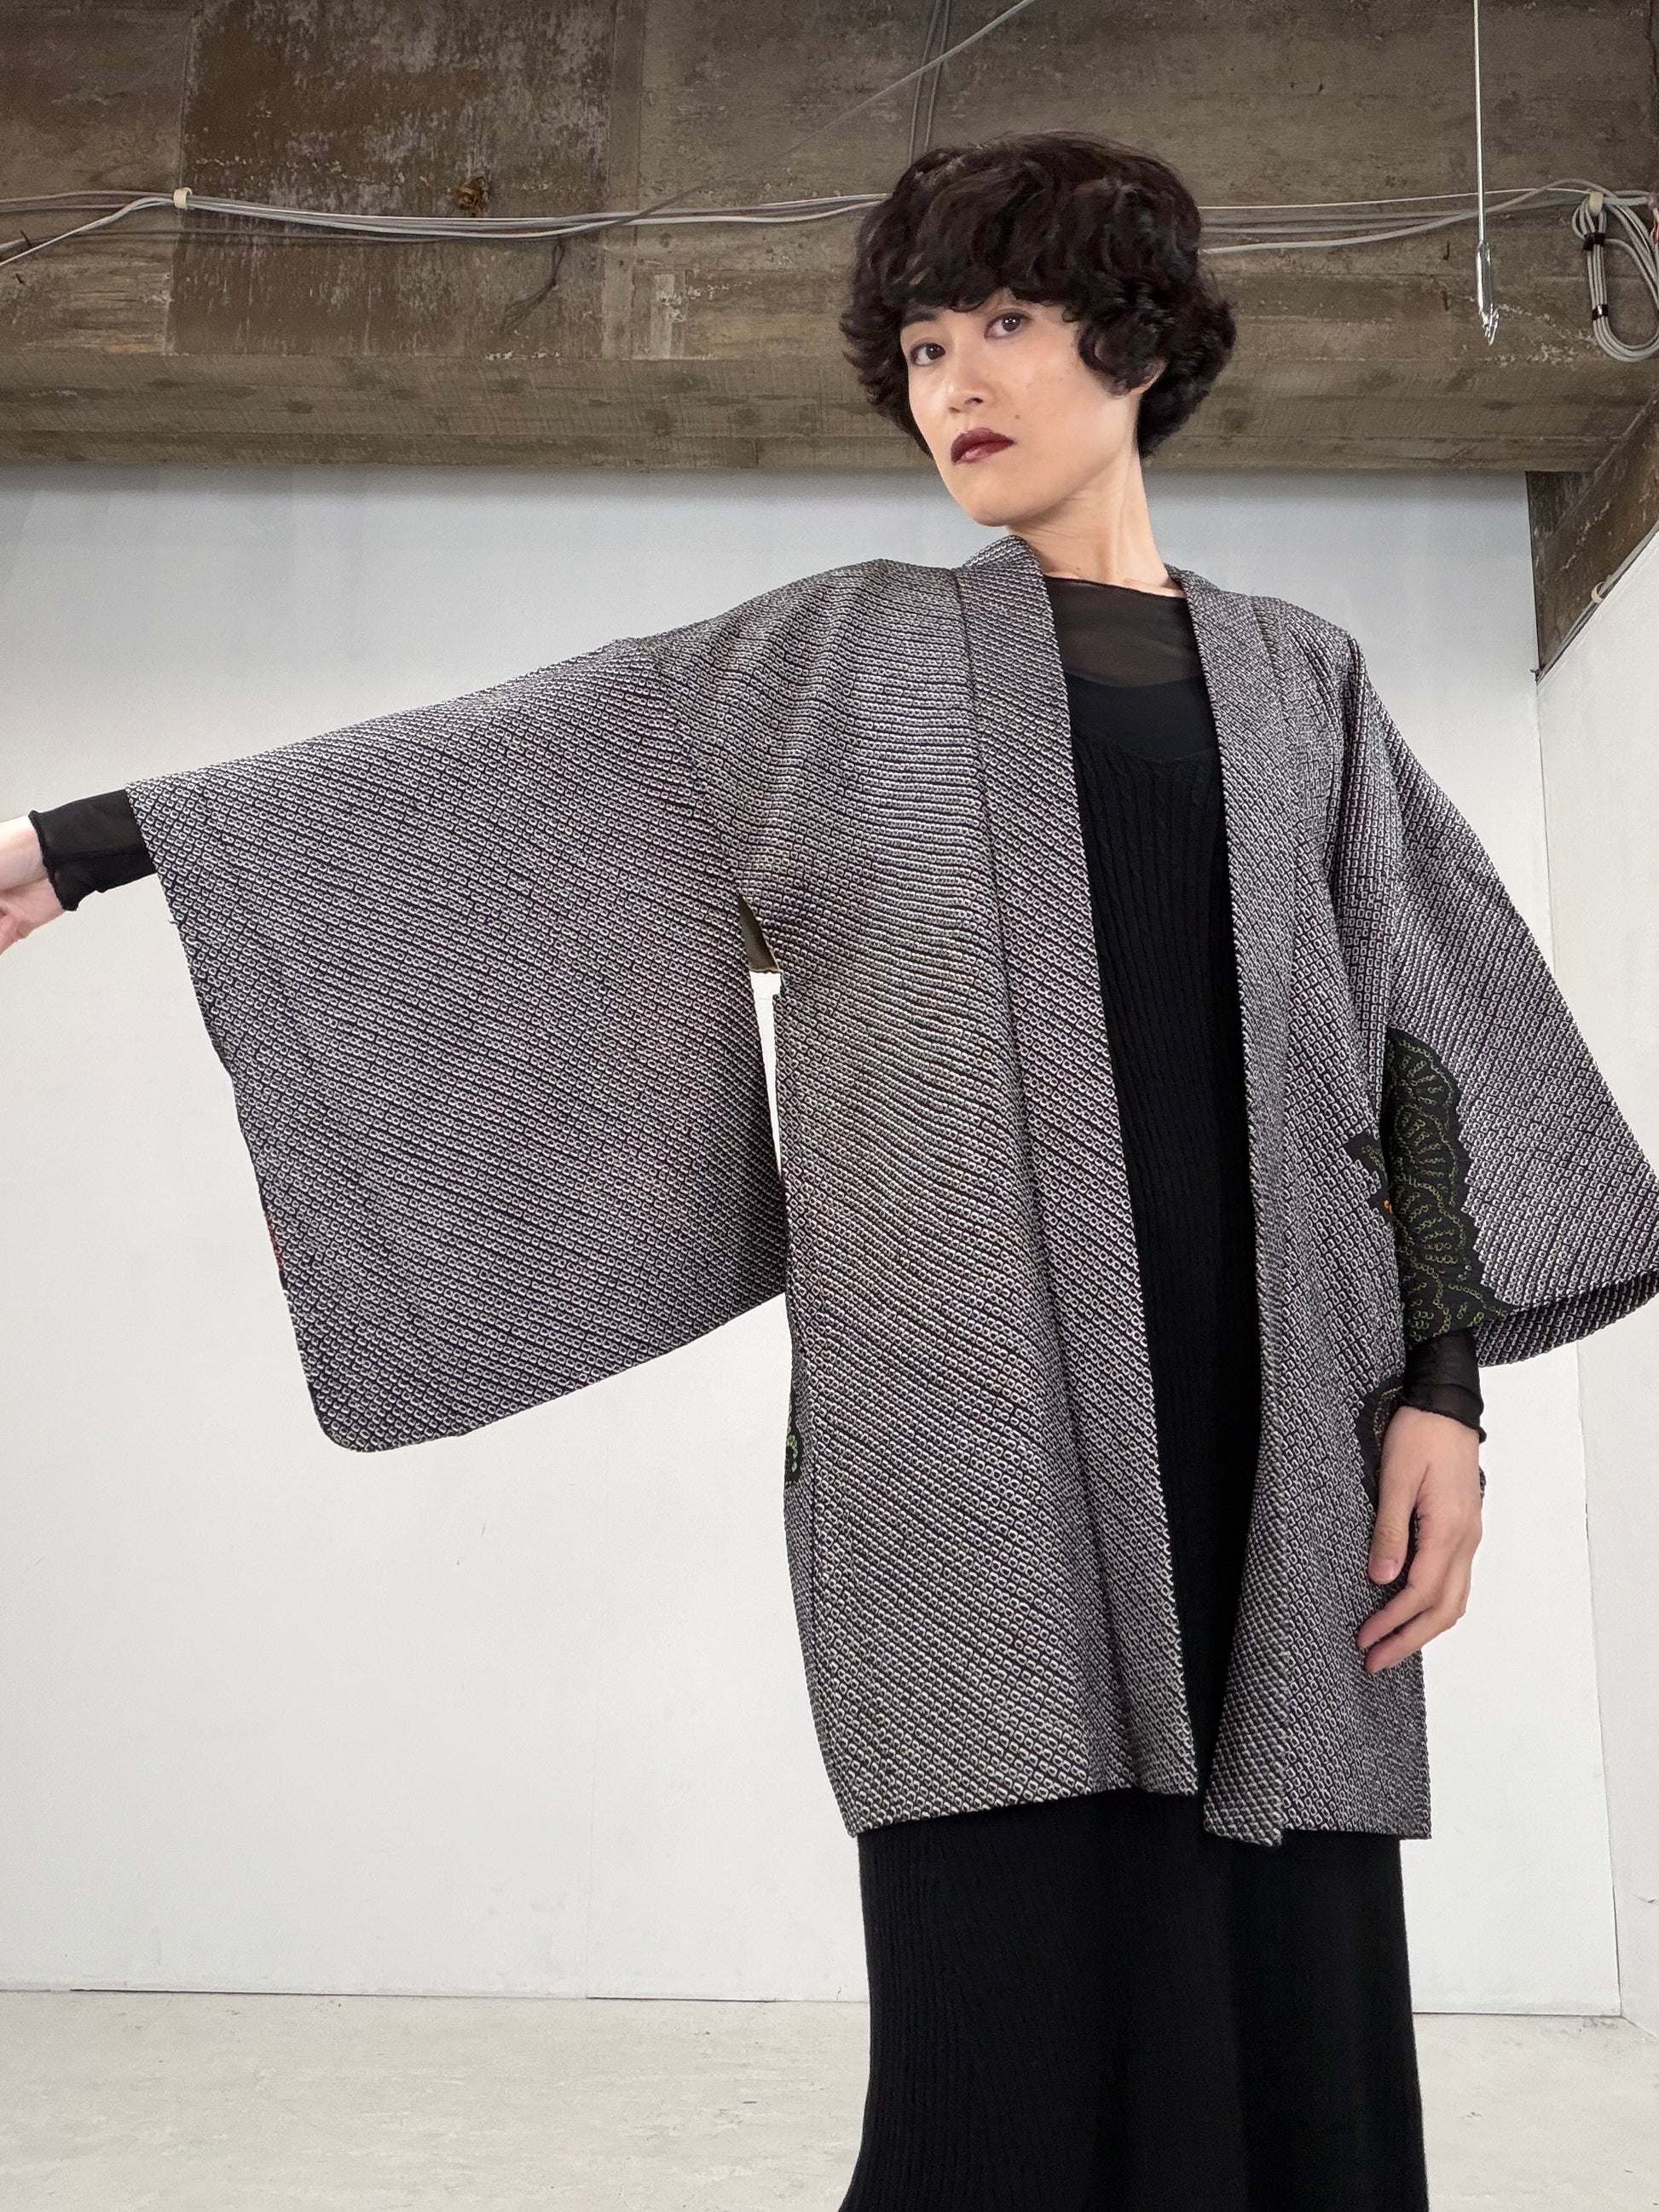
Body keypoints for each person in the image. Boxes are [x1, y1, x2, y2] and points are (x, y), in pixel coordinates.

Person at [3, 135, 1654, 2212]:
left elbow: (1421, 1040)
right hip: (972, 1439)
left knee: (1287, 2027)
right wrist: (97, 840)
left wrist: (1441, 1395)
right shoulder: (830, 661)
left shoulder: (1298, 677)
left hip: (1280, 1425)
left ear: (1137, 346)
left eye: (1008, 323)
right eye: (924, 343)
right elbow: (519, 774)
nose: (957, 378)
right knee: (993, 2047)